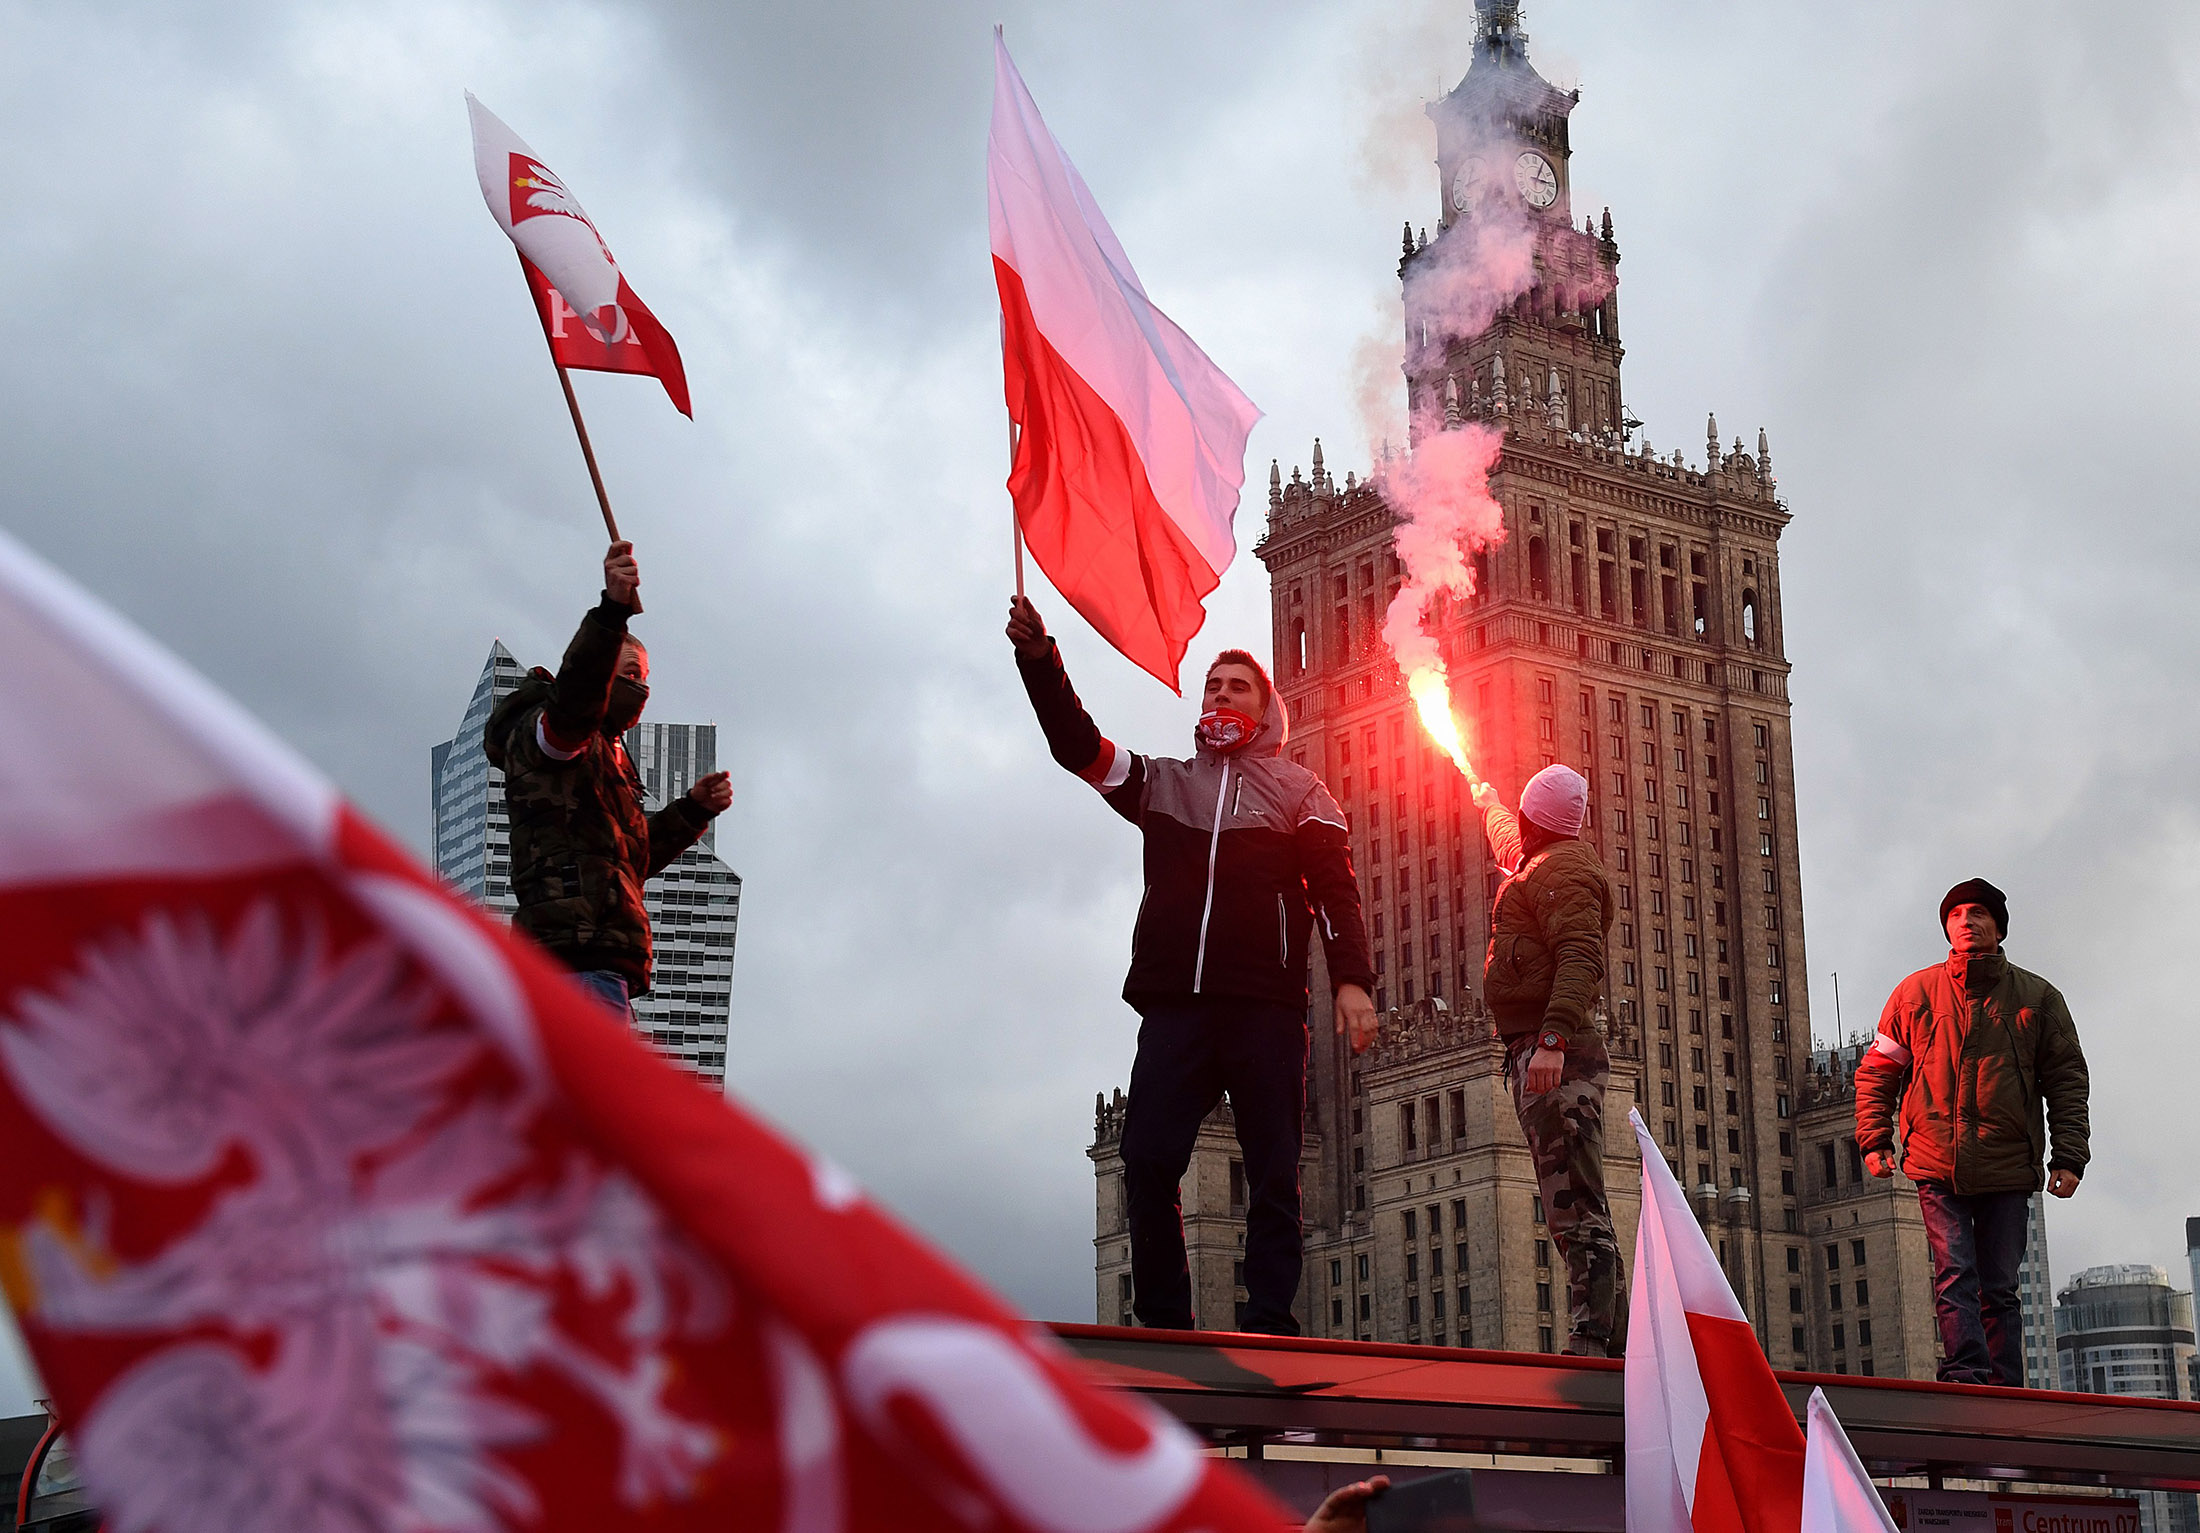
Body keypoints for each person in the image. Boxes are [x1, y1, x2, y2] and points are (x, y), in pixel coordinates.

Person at [1007, 595, 1377, 1335]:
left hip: (1265, 1007)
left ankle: (1273, 1322)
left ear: (1266, 709)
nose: (1221, 695)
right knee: (1144, 1161)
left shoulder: (1302, 791)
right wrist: (1039, 661)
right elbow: (1077, 746)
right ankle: (1167, 1325)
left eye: (1237, 686)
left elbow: (1335, 890)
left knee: (1275, 1170)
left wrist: (1352, 981)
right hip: (1176, 1005)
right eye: (1213, 686)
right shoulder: (1164, 781)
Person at [1853, 877, 2090, 1387]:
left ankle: (2003, 1385)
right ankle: (1965, 1373)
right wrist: (1874, 1140)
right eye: (1957, 914)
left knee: (2000, 1287)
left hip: (2007, 1166)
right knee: (1954, 1273)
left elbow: (2067, 1081)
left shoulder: (2038, 997)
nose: (1968, 922)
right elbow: (1878, 1072)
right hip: (1937, 1163)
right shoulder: (1913, 993)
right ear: (1946, 926)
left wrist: (2069, 1158)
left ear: (1998, 927)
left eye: (1978, 913)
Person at [484, 540, 733, 1018]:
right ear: (601, 675)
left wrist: (693, 810)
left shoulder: (613, 758)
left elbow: (626, 860)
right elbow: (575, 704)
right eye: (630, 672)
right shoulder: (557, 737)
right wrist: (611, 613)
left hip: (602, 966)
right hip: (573, 964)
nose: (640, 687)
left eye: (645, 676)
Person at [1471, 764, 1622, 1356]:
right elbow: (1510, 843)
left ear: (1538, 820)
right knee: (1572, 1199)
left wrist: (1553, 1043)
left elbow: (1582, 956)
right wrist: (1489, 802)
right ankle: (1616, 1337)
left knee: (1575, 1202)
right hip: (1538, 1048)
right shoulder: (1544, 863)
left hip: (1556, 1053)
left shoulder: (1564, 870)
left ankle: (1593, 1340)